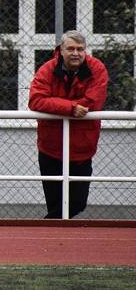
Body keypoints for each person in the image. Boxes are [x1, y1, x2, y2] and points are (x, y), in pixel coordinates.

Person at [28, 30, 107, 219]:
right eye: (70, 48)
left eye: (80, 49)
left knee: (77, 203)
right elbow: (36, 100)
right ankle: (54, 242)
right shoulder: (48, 69)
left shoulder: (97, 68)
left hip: (82, 148)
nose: (76, 53)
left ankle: (44, 230)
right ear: (61, 50)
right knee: (55, 203)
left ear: (85, 51)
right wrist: (71, 107)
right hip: (51, 147)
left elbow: (94, 101)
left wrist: (59, 105)